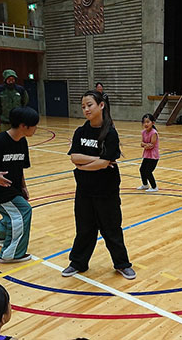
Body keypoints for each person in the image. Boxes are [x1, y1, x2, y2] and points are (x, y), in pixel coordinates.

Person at [62, 90, 136, 280]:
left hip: (106, 191)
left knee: (111, 229)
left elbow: (104, 163)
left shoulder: (110, 133)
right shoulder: (80, 131)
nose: (86, 109)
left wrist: (85, 165)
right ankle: (78, 263)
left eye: (90, 105)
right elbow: (74, 157)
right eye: (83, 106)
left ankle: (122, 264)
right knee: (84, 228)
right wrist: (98, 160)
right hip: (84, 190)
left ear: (101, 105)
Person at [0, 107, 39, 263]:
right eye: (34, 125)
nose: (36, 128)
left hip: (13, 188)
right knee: (23, 211)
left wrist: (23, 186)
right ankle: (11, 254)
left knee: (16, 211)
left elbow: (20, 167)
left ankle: (1, 230)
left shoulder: (22, 142)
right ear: (24, 125)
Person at [137, 113, 160, 192]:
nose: (145, 124)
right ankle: (145, 184)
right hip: (147, 155)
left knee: (148, 171)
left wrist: (145, 145)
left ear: (152, 123)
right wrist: (146, 145)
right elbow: (142, 144)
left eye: (147, 122)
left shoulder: (154, 133)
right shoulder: (143, 132)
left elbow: (151, 145)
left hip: (153, 156)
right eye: (144, 122)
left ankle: (154, 187)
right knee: (142, 169)